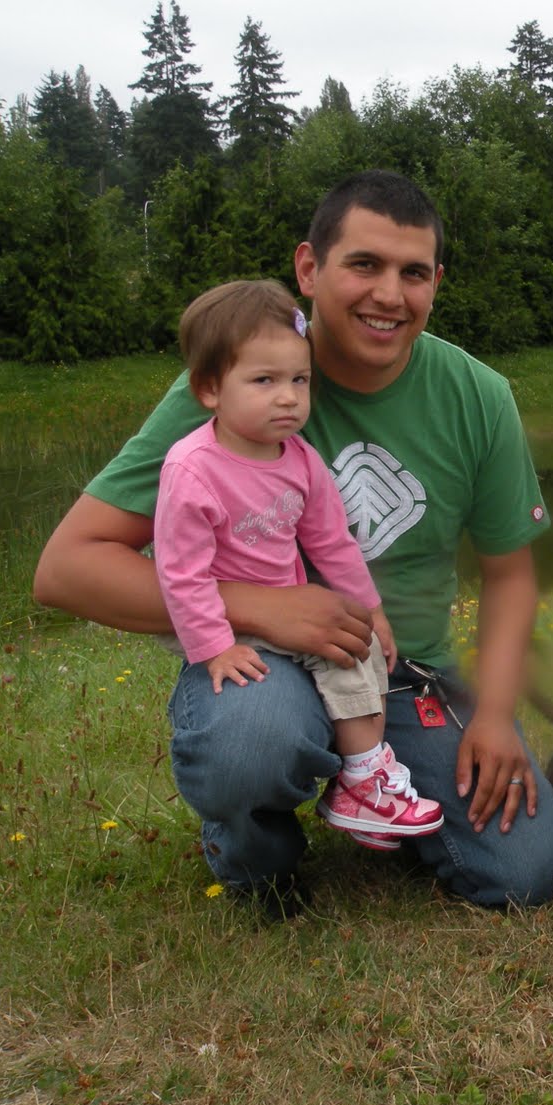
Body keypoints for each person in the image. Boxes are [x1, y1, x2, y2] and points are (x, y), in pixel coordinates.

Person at [34, 170, 553, 916]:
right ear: (309, 269)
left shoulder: (479, 395)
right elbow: (66, 568)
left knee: (528, 873)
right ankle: (256, 853)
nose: (390, 294)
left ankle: (388, 793)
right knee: (253, 738)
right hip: (268, 663)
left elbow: (511, 575)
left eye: (413, 273)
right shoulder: (236, 387)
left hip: (408, 675)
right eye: (365, 265)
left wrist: (491, 713)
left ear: (437, 283)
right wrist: (262, 608)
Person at [154, 279, 443, 852]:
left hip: (292, 614)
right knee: (296, 693)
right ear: (210, 389)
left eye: (299, 380)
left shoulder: (301, 461)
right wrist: (214, 646)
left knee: (356, 644)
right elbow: (180, 573)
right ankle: (325, 798)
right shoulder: (192, 469)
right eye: (264, 381)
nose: (288, 397)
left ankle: (361, 780)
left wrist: (373, 611)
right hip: (226, 627)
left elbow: (334, 545)